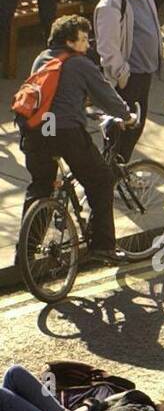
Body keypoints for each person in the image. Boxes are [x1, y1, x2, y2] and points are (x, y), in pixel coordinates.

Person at [20, 15, 137, 266]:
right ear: (70, 42)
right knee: (102, 180)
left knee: (41, 186)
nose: (87, 45)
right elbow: (106, 95)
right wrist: (127, 116)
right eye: (83, 39)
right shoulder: (79, 63)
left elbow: (53, 96)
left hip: (37, 133)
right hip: (66, 134)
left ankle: (26, 253)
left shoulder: (41, 59)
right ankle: (103, 247)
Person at [92, 0, 161, 162]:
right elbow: (107, 48)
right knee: (121, 131)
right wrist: (122, 75)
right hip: (128, 78)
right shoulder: (110, 6)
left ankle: (120, 171)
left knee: (135, 127)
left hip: (145, 71)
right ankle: (114, 172)